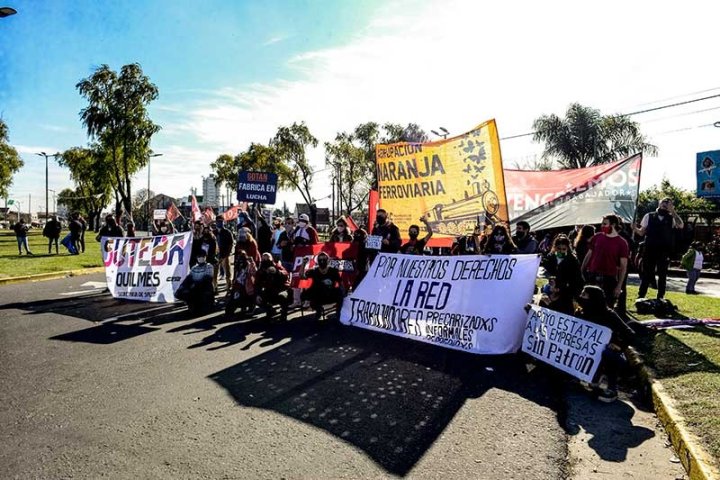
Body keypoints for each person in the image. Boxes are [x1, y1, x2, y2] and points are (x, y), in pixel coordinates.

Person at [575, 285, 636, 403]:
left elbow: (630, 334)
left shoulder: (609, 315)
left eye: (584, 295)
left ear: (593, 298)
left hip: (608, 354)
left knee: (609, 354)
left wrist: (618, 345)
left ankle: (612, 388)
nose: (581, 297)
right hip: (587, 353)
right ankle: (588, 377)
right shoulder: (580, 312)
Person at [633, 197, 684, 300]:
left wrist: (673, 211)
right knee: (647, 273)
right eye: (664, 202)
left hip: (664, 250)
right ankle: (641, 295)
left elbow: (681, 226)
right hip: (649, 249)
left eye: (668, 203)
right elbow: (642, 232)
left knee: (662, 275)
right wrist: (634, 228)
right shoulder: (649, 216)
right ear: (659, 203)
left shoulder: (671, 218)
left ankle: (660, 297)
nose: (665, 204)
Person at [580, 214, 629, 308]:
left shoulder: (622, 243)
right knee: (589, 303)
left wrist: (619, 286)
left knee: (605, 305)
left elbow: (623, 267)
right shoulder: (597, 237)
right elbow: (589, 254)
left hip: (609, 278)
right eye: (602, 224)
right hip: (593, 274)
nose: (602, 226)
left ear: (613, 225)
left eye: (605, 224)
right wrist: (582, 269)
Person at [542, 235, 583, 314]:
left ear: (567, 248)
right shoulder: (551, 257)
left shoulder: (572, 260)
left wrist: (560, 289)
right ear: (555, 248)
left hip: (565, 293)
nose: (561, 251)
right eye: (558, 249)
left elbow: (576, 279)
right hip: (550, 290)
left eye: (563, 249)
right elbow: (546, 271)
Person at [299, 252, 344, 321]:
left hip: (330, 294)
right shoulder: (314, 271)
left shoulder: (333, 271)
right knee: (310, 295)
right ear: (317, 261)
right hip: (318, 296)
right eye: (320, 259)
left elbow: (341, 283)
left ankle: (338, 313)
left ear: (328, 260)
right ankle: (318, 312)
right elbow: (302, 276)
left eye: (324, 259)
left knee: (340, 292)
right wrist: (303, 264)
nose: (322, 261)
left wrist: (342, 291)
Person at [255, 253, 291, 321]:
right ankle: (270, 310)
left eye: (267, 259)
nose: (265, 261)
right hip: (269, 291)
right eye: (263, 259)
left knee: (283, 296)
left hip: (280, 290)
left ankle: (284, 313)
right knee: (257, 298)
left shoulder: (277, 266)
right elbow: (257, 283)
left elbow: (286, 276)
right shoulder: (261, 271)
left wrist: (277, 272)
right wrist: (258, 294)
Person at [226, 250, 257, 317]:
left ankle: (250, 309)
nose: (240, 257)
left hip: (247, 284)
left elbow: (254, 272)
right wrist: (233, 282)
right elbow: (236, 274)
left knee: (249, 296)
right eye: (239, 256)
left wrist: (252, 263)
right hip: (238, 283)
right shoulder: (238, 264)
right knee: (235, 297)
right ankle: (231, 311)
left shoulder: (249, 264)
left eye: (242, 255)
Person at [214, 215, 235, 286]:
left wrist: (228, 254)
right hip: (216, 256)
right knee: (214, 274)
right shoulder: (214, 232)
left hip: (225, 255)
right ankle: (215, 287)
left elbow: (231, 243)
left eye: (221, 221)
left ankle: (228, 287)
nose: (219, 223)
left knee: (228, 274)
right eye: (218, 221)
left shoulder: (227, 232)